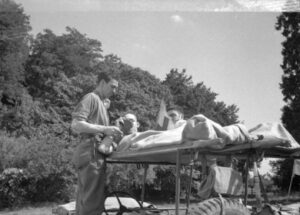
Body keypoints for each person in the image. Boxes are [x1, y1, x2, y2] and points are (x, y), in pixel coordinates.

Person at [71, 72, 123, 215]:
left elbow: (97, 128)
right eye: (112, 87)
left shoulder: (101, 103)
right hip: (91, 153)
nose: (115, 91)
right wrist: (106, 129)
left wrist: (112, 127)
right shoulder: (91, 98)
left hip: (93, 153)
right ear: (101, 83)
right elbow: (76, 125)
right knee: (92, 202)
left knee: (86, 200)